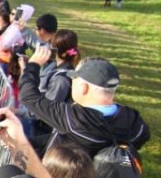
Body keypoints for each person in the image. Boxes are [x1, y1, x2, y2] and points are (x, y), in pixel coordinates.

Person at [20, 48, 150, 159]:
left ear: (84, 88)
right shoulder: (135, 123)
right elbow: (141, 138)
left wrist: (33, 65)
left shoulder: (74, 118)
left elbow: (29, 96)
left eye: (74, 80)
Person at [39, 29, 79, 104]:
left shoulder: (60, 79)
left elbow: (48, 109)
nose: (47, 46)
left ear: (55, 50)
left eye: (50, 43)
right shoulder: (54, 66)